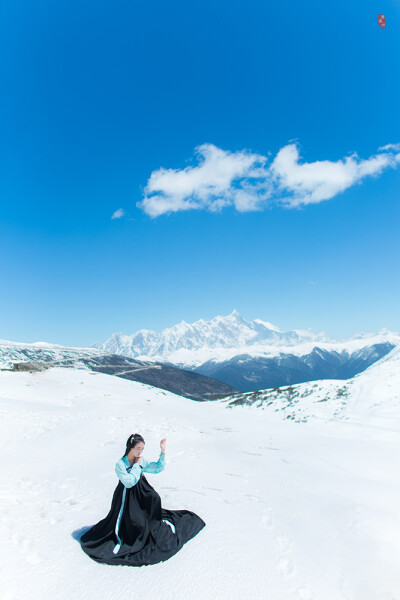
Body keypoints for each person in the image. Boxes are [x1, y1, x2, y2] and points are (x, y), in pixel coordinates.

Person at [80, 433, 206, 566]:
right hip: (126, 496)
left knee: (154, 499)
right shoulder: (120, 464)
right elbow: (129, 482)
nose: (140, 452)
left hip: (141, 490)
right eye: (138, 448)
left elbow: (156, 468)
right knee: (135, 520)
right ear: (130, 447)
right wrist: (137, 466)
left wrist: (162, 452)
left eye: (142, 449)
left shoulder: (140, 459)